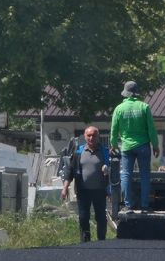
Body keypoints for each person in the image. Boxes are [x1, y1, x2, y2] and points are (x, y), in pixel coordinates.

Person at [111, 80, 159, 212]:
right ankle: (144, 206)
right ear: (136, 93)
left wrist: (114, 144)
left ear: (125, 93)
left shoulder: (119, 109)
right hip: (143, 145)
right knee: (145, 175)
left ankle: (128, 205)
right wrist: (155, 145)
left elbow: (114, 130)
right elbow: (151, 129)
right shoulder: (144, 107)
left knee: (126, 175)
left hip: (127, 147)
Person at [61, 126, 109, 242]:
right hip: (83, 191)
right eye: (89, 135)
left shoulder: (105, 152)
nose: (91, 138)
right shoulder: (78, 152)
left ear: (98, 137)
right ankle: (85, 243)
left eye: (94, 135)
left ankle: (101, 242)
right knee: (83, 217)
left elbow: (115, 172)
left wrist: (108, 170)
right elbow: (70, 171)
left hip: (100, 191)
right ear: (85, 136)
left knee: (101, 218)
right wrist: (65, 188)